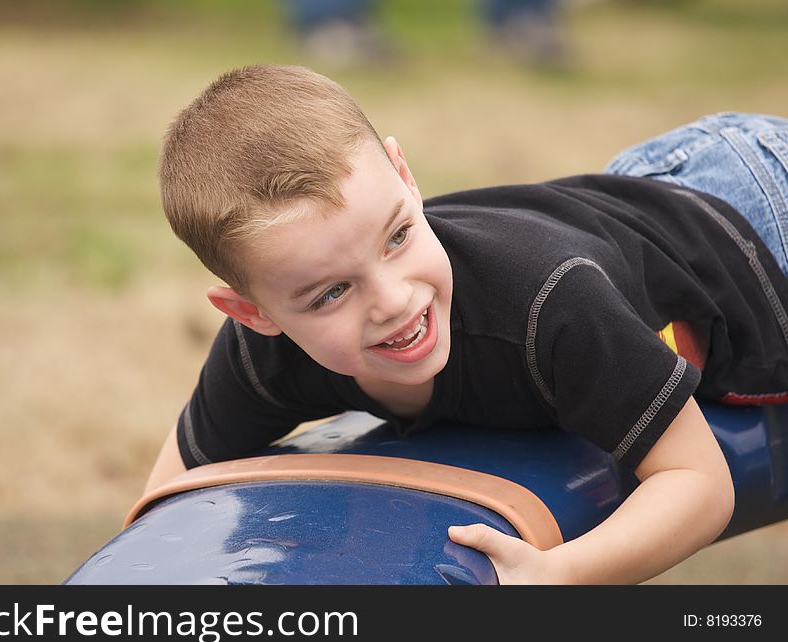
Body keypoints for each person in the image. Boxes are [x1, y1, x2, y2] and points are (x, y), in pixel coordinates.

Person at [147, 64, 788, 583]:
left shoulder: (549, 305)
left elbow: (699, 483)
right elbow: (167, 506)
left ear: (405, 176)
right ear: (253, 314)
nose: (394, 300)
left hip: (760, 219)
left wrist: (560, 574)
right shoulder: (260, 358)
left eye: (397, 237)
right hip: (646, 205)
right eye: (331, 293)